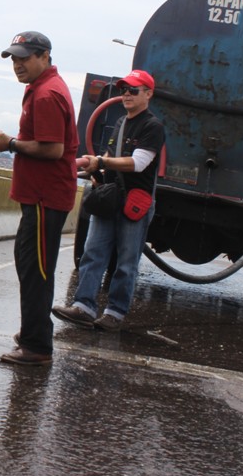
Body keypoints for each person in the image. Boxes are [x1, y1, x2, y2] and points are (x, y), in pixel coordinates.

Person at [53, 69, 165, 332]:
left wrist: (101, 161)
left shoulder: (152, 126)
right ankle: (83, 306)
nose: (126, 94)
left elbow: (138, 163)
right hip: (111, 197)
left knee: (126, 262)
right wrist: (95, 167)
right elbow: (110, 152)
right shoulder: (121, 122)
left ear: (148, 94)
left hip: (134, 203)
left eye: (133, 90)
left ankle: (115, 312)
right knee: (93, 253)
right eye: (124, 89)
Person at [0, 31, 79, 366]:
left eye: (24, 58)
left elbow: (53, 149)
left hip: (46, 197)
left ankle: (37, 346)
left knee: (36, 269)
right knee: (30, 265)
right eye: (13, 58)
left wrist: (10, 144)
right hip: (41, 197)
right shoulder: (41, 89)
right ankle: (34, 330)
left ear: (44, 57)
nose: (17, 65)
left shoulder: (46, 94)